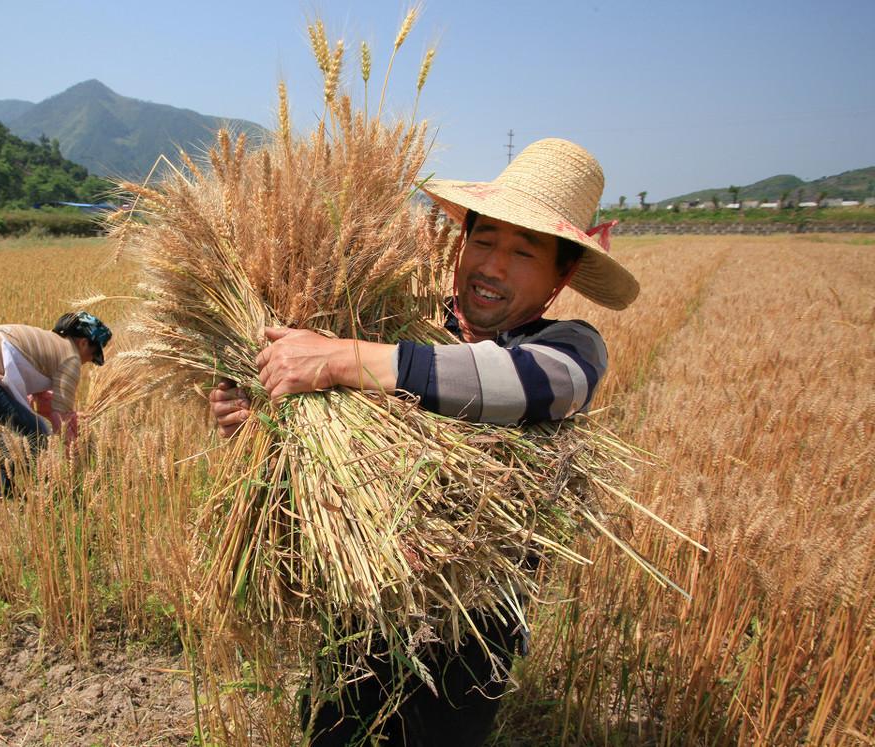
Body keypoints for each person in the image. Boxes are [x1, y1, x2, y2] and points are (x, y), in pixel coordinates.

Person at [208, 138, 640, 745]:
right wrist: (260, 426)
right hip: (355, 613)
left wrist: (341, 358)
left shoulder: (566, 344)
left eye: (523, 251)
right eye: (484, 240)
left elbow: (529, 384)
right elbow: (330, 454)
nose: (492, 266)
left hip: (468, 630)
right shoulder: (398, 324)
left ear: (562, 272)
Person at [0, 311, 112, 497]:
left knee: (14, 427)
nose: (90, 360)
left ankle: (1, 492)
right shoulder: (70, 356)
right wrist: (73, 465)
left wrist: (70, 415)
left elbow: (39, 403)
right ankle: (37, 491)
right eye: (94, 353)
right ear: (83, 342)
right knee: (34, 432)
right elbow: (62, 422)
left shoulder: (48, 346)